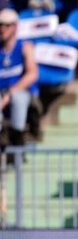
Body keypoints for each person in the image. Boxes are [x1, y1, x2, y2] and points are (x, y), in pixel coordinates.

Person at [0, 9, 38, 152]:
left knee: (18, 98)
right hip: (2, 94)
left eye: (6, 25)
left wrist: (10, 93)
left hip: (23, 94)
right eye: (0, 25)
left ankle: (18, 140)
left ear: (15, 26)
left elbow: (32, 74)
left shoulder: (25, 47)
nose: (2, 29)